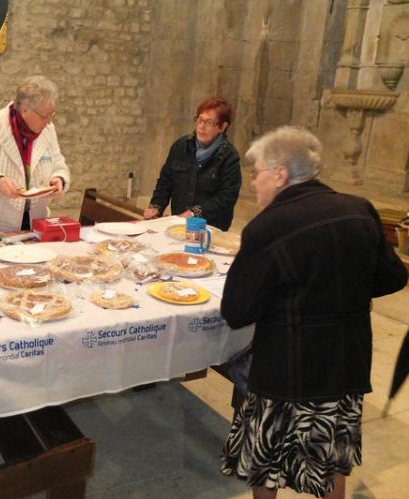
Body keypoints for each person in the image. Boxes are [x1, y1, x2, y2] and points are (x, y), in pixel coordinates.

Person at [219, 126, 407, 498]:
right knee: (332, 455)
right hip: (345, 363)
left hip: (286, 368)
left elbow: (237, 310)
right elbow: (394, 276)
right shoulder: (360, 209)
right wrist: (344, 295)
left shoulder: (267, 227)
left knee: (266, 457)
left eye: (256, 173)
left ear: (280, 174)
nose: (253, 183)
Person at [0, 75, 70, 232]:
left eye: (52, 115)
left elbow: (59, 165)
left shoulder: (48, 130)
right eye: (45, 116)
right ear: (25, 109)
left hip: (37, 222)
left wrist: (59, 180)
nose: (49, 121)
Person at [143, 96, 241, 230]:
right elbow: (165, 182)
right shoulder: (181, 146)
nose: (201, 126)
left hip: (211, 229)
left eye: (209, 122)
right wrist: (156, 206)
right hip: (179, 226)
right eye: (200, 120)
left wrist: (194, 213)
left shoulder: (229, 157)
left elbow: (226, 198)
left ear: (222, 127)